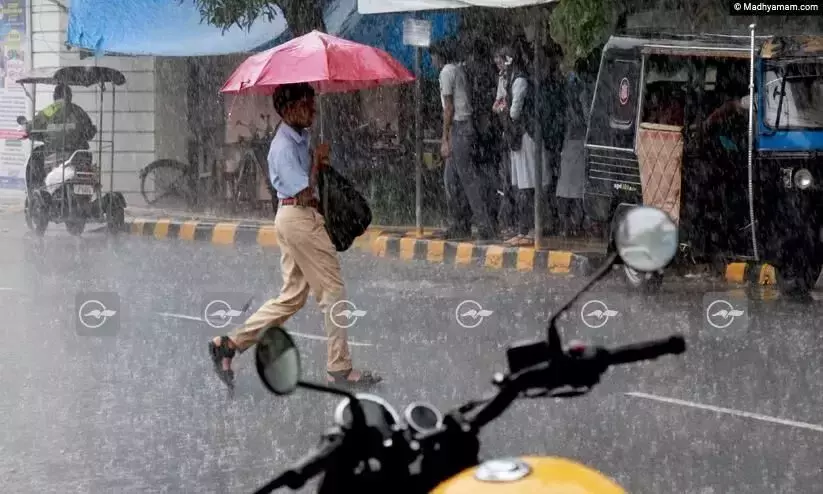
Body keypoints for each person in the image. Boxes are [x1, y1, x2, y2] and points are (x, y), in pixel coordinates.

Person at [208, 82, 382, 389]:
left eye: (313, 103)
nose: (313, 110)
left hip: (293, 219)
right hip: (299, 219)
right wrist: (318, 166)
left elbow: (309, 185)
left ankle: (230, 344)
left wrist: (317, 160)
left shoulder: (300, 138)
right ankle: (339, 368)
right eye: (307, 104)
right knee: (333, 291)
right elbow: (305, 193)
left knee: (290, 298)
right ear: (288, 110)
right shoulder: (284, 147)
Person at [429, 39, 497, 241]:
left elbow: (449, 107)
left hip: (460, 127)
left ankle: (484, 224)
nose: (432, 61)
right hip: (461, 127)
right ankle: (459, 222)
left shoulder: (446, 72)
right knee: (452, 179)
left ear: (438, 56)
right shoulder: (456, 70)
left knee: (467, 179)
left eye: (433, 56)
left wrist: (444, 137)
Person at [495, 45, 552, 247]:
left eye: (502, 61)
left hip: (527, 137)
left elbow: (513, 112)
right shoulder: (510, 80)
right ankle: (525, 229)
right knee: (521, 185)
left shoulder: (519, 81)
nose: (500, 66)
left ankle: (530, 229)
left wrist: (503, 109)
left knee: (528, 185)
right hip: (519, 137)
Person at [26, 84, 96, 190]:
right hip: (79, 154)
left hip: (54, 152)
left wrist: (29, 129)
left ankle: (36, 189)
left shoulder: (50, 110)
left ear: (55, 96)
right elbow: (90, 132)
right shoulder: (78, 111)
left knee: (36, 156)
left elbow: (32, 128)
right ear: (70, 96)